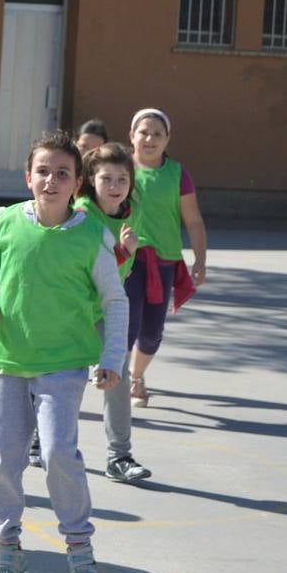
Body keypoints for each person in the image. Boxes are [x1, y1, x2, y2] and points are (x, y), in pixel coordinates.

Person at [0, 130, 127, 573]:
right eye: (43, 172)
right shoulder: (3, 221)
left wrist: (112, 357)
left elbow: (115, 301)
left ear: (78, 182)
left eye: (62, 173)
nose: (51, 181)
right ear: (28, 177)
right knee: (3, 458)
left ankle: (78, 545)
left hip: (64, 363)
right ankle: (7, 544)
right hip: (7, 358)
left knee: (59, 453)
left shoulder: (90, 235)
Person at [73, 142, 151, 484]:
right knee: (61, 375)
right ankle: (38, 438)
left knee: (116, 375)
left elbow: (120, 272)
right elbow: (89, 268)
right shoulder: (83, 213)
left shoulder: (133, 211)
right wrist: (122, 253)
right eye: (107, 179)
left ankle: (119, 455)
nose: (116, 186)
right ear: (92, 178)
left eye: (123, 179)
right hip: (74, 308)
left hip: (107, 306)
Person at [125, 108, 206, 408]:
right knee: (126, 322)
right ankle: (120, 376)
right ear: (131, 136)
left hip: (164, 262)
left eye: (157, 133)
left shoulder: (177, 174)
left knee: (151, 332)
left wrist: (200, 259)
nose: (150, 138)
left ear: (167, 139)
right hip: (127, 259)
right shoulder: (120, 169)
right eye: (143, 132)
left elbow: (193, 220)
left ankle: (137, 374)